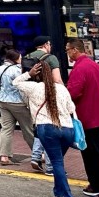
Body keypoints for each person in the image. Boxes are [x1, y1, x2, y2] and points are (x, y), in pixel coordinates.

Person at [13, 58, 79, 197]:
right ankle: (58, 194)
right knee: (58, 163)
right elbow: (72, 108)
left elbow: (15, 82)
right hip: (68, 129)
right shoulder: (62, 89)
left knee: (57, 163)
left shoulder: (34, 88)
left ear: (37, 74)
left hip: (48, 129)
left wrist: (28, 74)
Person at [64, 38, 99, 197]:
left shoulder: (80, 68)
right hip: (98, 114)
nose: (67, 53)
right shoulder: (95, 66)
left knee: (94, 154)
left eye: (68, 50)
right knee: (89, 152)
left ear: (74, 50)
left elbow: (73, 92)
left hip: (88, 115)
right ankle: (95, 184)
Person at [27, 35, 63, 175]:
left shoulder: (27, 56)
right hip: (48, 95)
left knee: (39, 126)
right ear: (46, 44)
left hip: (33, 95)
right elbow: (57, 79)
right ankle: (50, 166)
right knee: (50, 129)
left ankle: (35, 156)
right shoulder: (51, 58)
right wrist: (62, 93)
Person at [0, 49, 35, 165]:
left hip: (3, 101)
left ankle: (4, 156)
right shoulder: (18, 70)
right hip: (18, 102)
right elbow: (22, 87)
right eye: (20, 57)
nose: (21, 59)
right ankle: (39, 153)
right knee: (28, 129)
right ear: (16, 59)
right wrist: (27, 102)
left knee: (6, 129)